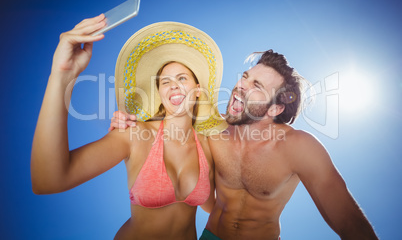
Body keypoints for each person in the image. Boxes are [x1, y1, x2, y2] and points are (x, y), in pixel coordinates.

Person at [111, 50, 379, 239]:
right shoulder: (212, 131)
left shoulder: (298, 147)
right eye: (245, 76)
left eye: (256, 85)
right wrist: (129, 122)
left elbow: (347, 220)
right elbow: (168, 122)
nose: (240, 85)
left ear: (275, 108)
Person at [31, 16, 228, 240]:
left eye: (182, 78)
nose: (174, 85)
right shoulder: (135, 134)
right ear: (161, 95)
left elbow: (216, 207)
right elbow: (47, 180)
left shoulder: (208, 144)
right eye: (165, 82)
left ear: (198, 89)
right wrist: (62, 73)